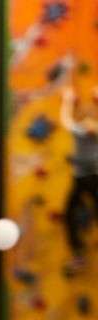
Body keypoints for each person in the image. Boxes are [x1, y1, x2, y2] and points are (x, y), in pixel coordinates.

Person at [60, 86, 98, 275]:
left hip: (93, 178)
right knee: (69, 214)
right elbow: (66, 120)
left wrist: (68, 100)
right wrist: (67, 100)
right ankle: (78, 254)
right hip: (81, 179)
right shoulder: (79, 130)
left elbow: (68, 120)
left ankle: (79, 254)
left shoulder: (89, 130)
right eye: (85, 117)